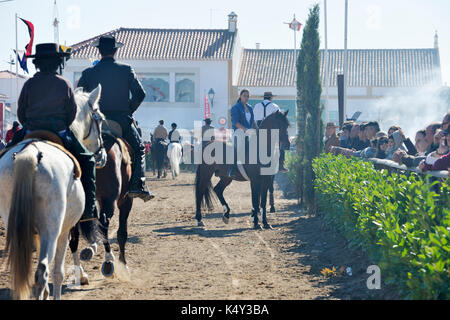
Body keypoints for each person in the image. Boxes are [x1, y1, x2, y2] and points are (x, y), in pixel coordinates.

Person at [10, 43, 98, 222]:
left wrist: (29, 124)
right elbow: (71, 114)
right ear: (58, 63)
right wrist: (61, 125)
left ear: (38, 64)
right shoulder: (64, 83)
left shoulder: (29, 84)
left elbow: (20, 113)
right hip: (59, 131)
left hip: (31, 130)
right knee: (88, 160)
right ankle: (89, 210)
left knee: (4, 155)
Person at [77, 35, 154, 201]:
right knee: (139, 148)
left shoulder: (89, 73)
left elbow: (79, 96)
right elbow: (141, 94)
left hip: (95, 122)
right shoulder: (126, 69)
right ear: (116, 50)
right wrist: (128, 111)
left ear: (99, 51)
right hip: (121, 121)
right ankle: (137, 185)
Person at [253, 91, 287, 172]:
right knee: (281, 145)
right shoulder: (275, 106)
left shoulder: (257, 106)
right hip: (271, 130)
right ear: (271, 98)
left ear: (264, 97)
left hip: (258, 129)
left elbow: (253, 119)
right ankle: (281, 164)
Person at [229, 89, 254, 177]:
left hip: (249, 132)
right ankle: (232, 168)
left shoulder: (250, 108)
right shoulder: (235, 108)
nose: (246, 98)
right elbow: (235, 122)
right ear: (240, 96)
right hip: (238, 132)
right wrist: (245, 130)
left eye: (248, 96)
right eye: (244, 96)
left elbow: (252, 122)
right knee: (239, 146)